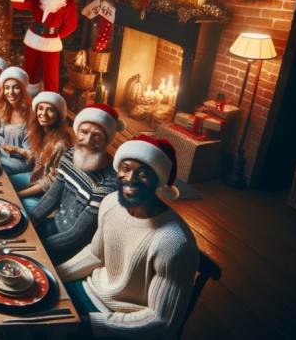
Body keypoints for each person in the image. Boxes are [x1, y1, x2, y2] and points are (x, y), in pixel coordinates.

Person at [57, 135, 199, 338]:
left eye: (143, 173)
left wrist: (91, 324)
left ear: (159, 181)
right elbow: (96, 255)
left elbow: (162, 320)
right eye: (125, 168)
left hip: (122, 319)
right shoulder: (110, 203)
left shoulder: (174, 242)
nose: (130, 178)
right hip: (92, 289)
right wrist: (54, 275)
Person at [29, 103, 124, 264]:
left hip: (72, 249)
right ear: (77, 131)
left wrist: (38, 247)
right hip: (54, 227)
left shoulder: (109, 181)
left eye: (97, 135)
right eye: (84, 132)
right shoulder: (71, 154)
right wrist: (28, 221)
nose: (88, 140)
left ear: (107, 140)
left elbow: (78, 236)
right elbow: (52, 196)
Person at [8, 0, 79, 95]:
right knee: (31, 70)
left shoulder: (68, 3)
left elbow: (71, 25)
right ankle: (30, 97)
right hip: (33, 39)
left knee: (50, 74)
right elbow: (20, 5)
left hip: (51, 44)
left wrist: (54, 33)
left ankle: (49, 100)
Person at [14, 92, 75, 211]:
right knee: (6, 183)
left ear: (58, 115)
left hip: (46, 193)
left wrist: (19, 194)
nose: (43, 114)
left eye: (50, 110)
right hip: (35, 178)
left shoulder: (61, 145)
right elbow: (39, 159)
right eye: (40, 108)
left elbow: (50, 183)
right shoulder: (41, 132)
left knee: (17, 206)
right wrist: (19, 151)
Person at [0, 67, 33, 175]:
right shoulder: (6, 110)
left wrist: (17, 150)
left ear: (23, 90)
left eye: (16, 87)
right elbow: (0, 138)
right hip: (0, 160)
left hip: (17, 167)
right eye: (7, 88)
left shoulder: (30, 116)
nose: (11, 92)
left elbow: (32, 155)